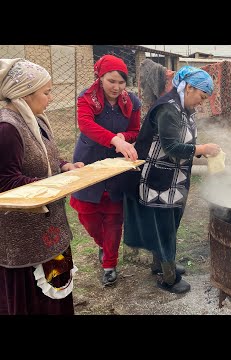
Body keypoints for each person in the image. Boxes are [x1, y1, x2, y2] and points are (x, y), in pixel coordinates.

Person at [123, 65, 221, 294]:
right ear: (188, 87)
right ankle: (168, 277)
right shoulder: (168, 109)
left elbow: (183, 142)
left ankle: (161, 264)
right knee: (164, 227)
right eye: (201, 96)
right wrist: (202, 148)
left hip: (174, 179)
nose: (202, 102)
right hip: (158, 178)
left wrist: (200, 150)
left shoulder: (183, 109)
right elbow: (171, 147)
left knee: (169, 224)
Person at [0, 58, 84, 315]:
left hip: (50, 231)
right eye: (46, 92)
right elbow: (6, 183)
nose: (51, 97)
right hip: (24, 237)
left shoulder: (36, 119)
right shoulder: (7, 128)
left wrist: (63, 166)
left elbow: (42, 158)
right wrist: (55, 183)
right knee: (35, 301)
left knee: (56, 288)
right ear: (25, 93)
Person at [69, 54, 140, 286]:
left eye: (121, 82)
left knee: (113, 216)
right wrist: (114, 140)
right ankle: (102, 245)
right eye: (111, 81)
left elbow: (135, 130)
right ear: (100, 78)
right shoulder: (86, 98)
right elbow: (86, 125)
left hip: (117, 166)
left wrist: (124, 137)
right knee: (86, 213)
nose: (117, 87)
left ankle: (110, 263)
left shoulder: (132, 102)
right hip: (88, 162)